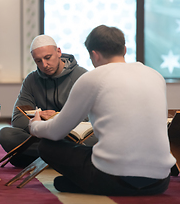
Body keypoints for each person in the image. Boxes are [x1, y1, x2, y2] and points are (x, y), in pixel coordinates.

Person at [29, 25, 176, 196]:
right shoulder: (155, 76)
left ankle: (91, 185)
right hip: (160, 182)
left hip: (112, 178)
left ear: (94, 54)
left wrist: (35, 126)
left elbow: (55, 133)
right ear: (125, 50)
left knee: (47, 146)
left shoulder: (92, 78)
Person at [0, 34, 88, 167]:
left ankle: (39, 156)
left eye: (47, 58)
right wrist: (39, 121)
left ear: (58, 52)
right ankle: (58, 156)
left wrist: (55, 119)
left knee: (95, 138)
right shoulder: (31, 80)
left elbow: (87, 119)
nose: (44, 65)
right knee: (6, 135)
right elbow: (17, 119)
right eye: (38, 61)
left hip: (70, 136)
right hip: (44, 136)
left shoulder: (82, 77)